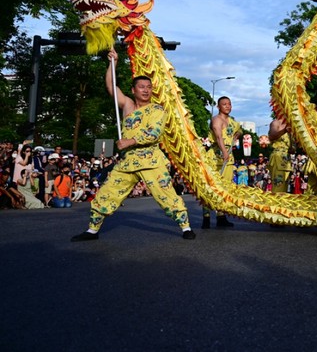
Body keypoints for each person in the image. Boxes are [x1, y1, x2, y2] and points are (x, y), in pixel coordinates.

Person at [71, 47, 195, 241]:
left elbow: (154, 133)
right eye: (142, 87)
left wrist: (130, 140)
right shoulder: (128, 105)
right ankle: (92, 230)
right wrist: (113, 63)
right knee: (107, 193)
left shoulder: (157, 109)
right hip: (128, 161)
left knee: (166, 196)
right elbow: (112, 87)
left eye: (149, 87)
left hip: (151, 160)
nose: (146, 90)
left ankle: (186, 227)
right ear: (133, 90)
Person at [202, 96, 240, 229]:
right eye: (224, 104)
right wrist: (224, 152)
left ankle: (221, 216)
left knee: (225, 188)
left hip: (228, 159)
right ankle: (206, 217)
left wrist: (236, 136)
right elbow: (218, 137)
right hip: (215, 158)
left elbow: (239, 130)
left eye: (229, 104)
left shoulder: (232, 121)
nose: (228, 106)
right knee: (210, 187)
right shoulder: (216, 120)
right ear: (218, 107)